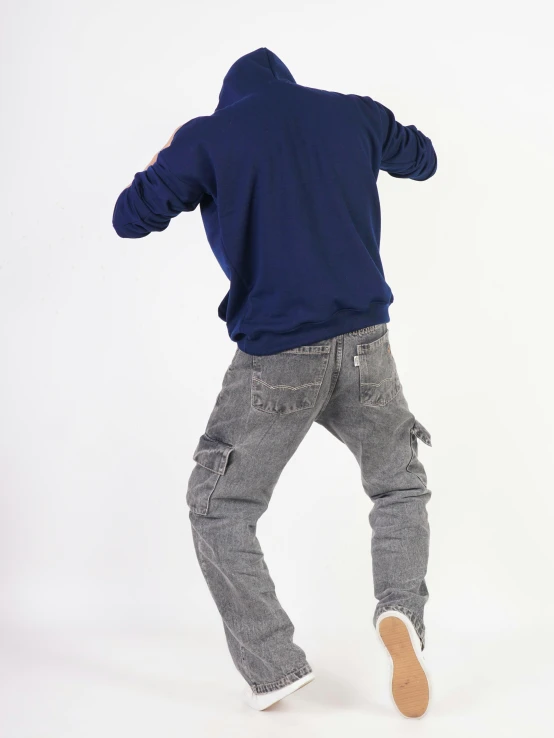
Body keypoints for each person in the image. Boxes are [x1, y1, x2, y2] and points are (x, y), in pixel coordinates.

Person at [112, 47, 437, 718]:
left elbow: (130, 217)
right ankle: (401, 611)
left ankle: (274, 665)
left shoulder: (210, 136)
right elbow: (423, 158)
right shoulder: (353, 115)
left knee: (220, 506)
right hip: (367, 344)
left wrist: (167, 154)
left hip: (279, 358)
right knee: (399, 485)